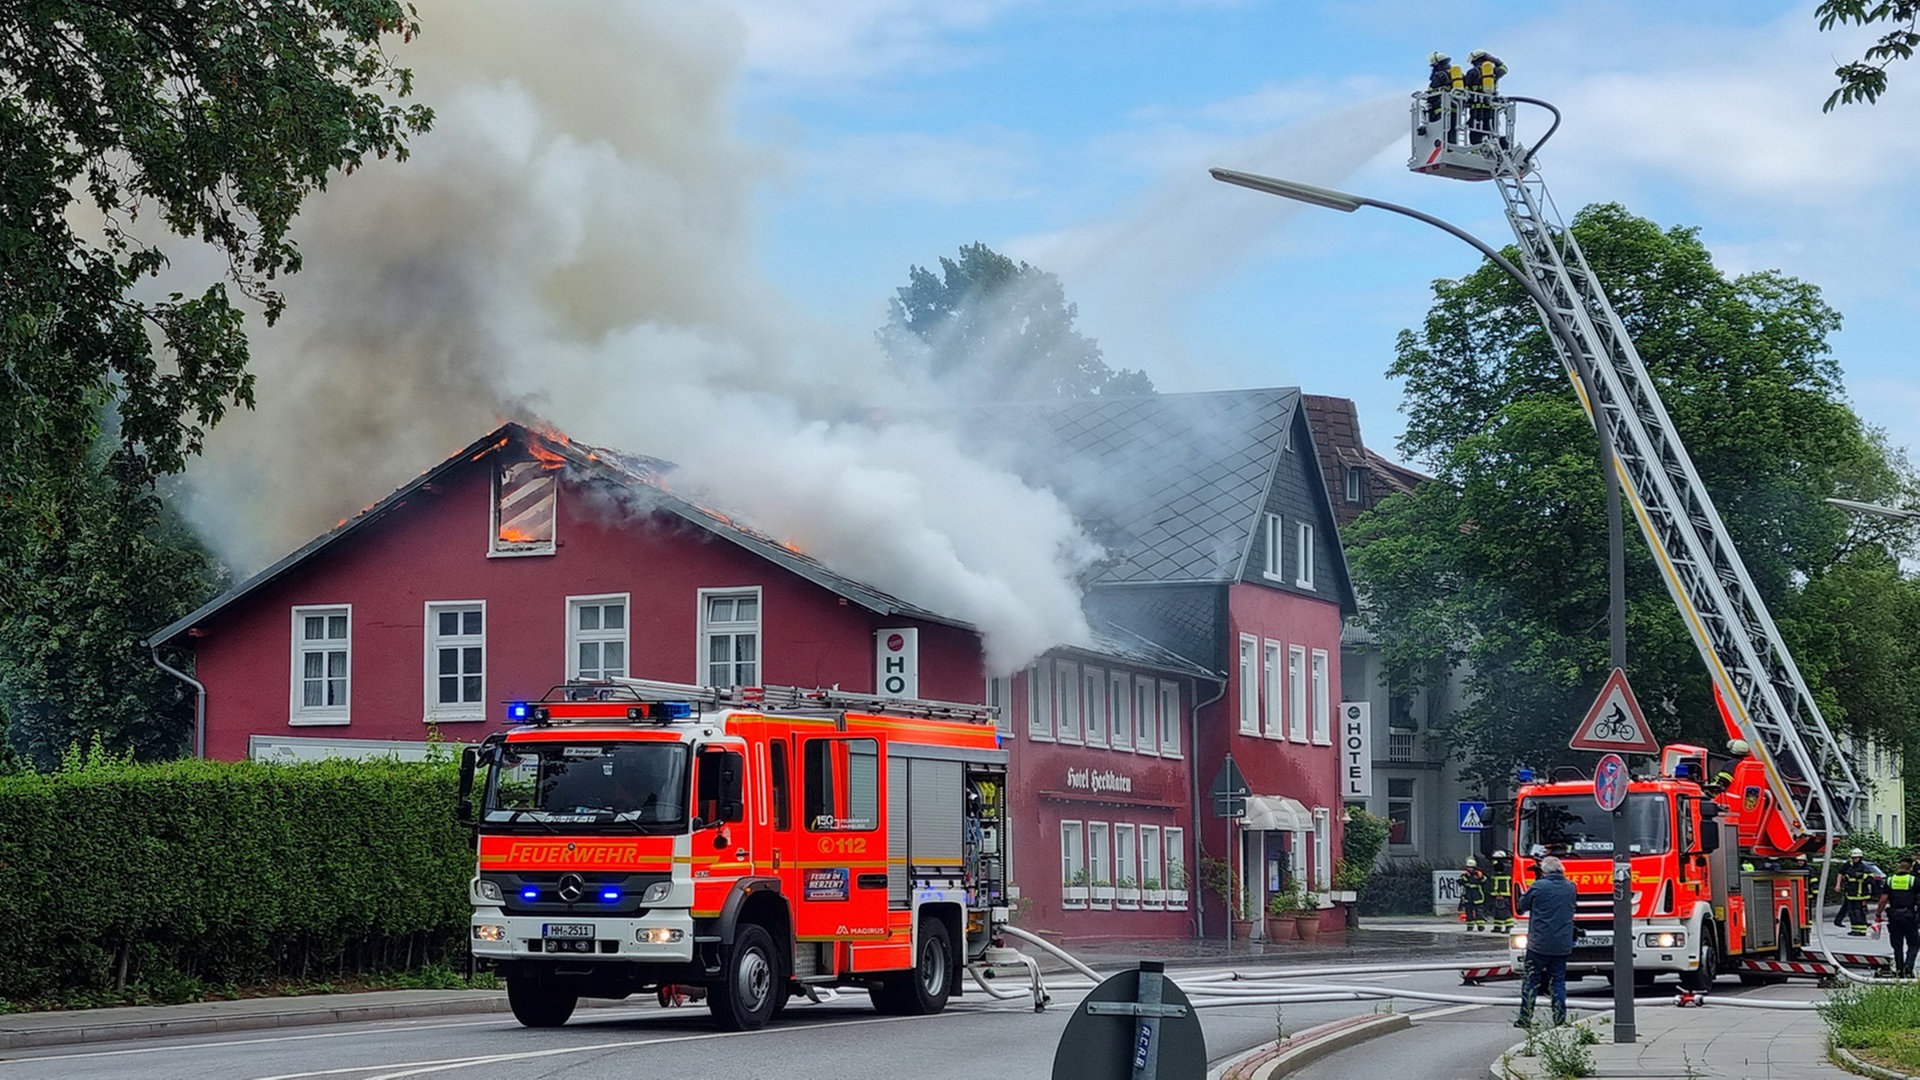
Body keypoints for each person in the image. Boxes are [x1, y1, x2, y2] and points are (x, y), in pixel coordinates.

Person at [1515, 855, 1578, 1027]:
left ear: (1544, 871)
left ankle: (1525, 1018)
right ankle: (1559, 1019)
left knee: (1531, 980)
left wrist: (1535, 883)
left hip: (1538, 944)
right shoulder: (1571, 887)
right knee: (1558, 981)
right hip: (1561, 945)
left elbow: (1522, 905)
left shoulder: (1538, 886)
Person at [1874, 854, 1919, 977]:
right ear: (1910, 869)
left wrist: (1878, 914)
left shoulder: (1890, 880)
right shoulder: (1913, 880)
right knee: (1914, 944)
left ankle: (1899, 970)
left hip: (1894, 915)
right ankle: (1908, 967)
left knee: (1897, 944)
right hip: (1909, 915)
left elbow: (1883, 899)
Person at [1836, 848, 1884, 936]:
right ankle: (1854, 929)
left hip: (1860, 895)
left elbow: (1871, 880)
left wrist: (1863, 877)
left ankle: (1862, 930)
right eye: (1853, 858)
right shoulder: (1850, 868)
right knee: (1851, 912)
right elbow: (1844, 877)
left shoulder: (1864, 868)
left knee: (1859, 912)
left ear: (1860, 858)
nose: (1855, 859)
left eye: (1856, 857)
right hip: (1850, 894)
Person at [1465, 49, 1508, 145]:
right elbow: (1504, 68)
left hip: (1476, 109)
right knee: (1492, 130)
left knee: (1475, 131)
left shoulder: (1471, 73)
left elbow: (1465, 90)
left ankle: (1476, 150)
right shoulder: (1494, 72)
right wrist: (1493, 60)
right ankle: (1496, 147)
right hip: (1491, 108)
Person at [1425, 52, 1460, 143]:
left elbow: (1431, 93)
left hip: (1440, 110)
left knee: (1441, 133)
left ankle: (1444, 146)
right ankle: (1451, 148)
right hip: (1455, 109)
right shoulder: (1457, 76)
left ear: (1437, 65)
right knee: (1452, 131)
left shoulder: (1438, 76)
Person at [1488, 850, 1515, 933]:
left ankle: (1509, 926)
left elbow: (1502, 883)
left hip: (1502, 894)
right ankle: (1497, 927)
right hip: (1497, 894)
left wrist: (1500, 894)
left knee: (1504, 911)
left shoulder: (1504, 868)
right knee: (1497, 912)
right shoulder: (1502, 868)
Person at [1460, 856, 1488, 931]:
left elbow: (1484, 881)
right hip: (1468, 897)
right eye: (1468, 867)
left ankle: (1481, 926)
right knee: (1469, 913)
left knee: (1479, 912)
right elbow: (1460, 882)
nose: (1469, 869)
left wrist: (1480, 877)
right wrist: (1465, 876)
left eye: (1471, 867)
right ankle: (1470, 926)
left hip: (1478, 897)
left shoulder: (1479, 874)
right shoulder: (1465, 875)